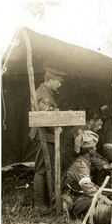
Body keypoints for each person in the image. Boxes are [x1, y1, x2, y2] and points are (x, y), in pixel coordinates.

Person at [29, 67, 66, 209]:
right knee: (41, 169)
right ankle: (39, 204)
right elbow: (45, 117)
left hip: (49, 136)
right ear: (50, 80)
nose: (60, 85)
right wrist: (58, 125)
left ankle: (46, 200)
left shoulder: (48, 93)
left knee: (47, 168)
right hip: (43, 135)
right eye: (58, 81)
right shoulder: (43, 94)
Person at [61, 110, 112, 183]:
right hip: (73, 164)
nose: (100, 127)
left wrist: (103, 160)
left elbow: (91, 150)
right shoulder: (80, 133)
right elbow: (86, 153)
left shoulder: (86, 131)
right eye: (99, 124)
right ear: (91, 121)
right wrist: (104, 165)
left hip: (79, 161)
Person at [63, 131, 101, 218]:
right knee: (98, 200)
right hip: (73, 202)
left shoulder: (84, 162)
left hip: (78, 197)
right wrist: (102, 197)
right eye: (95, 147)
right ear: (90, 150)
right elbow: (88, 189)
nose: (96, 149)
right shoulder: (80, 166)